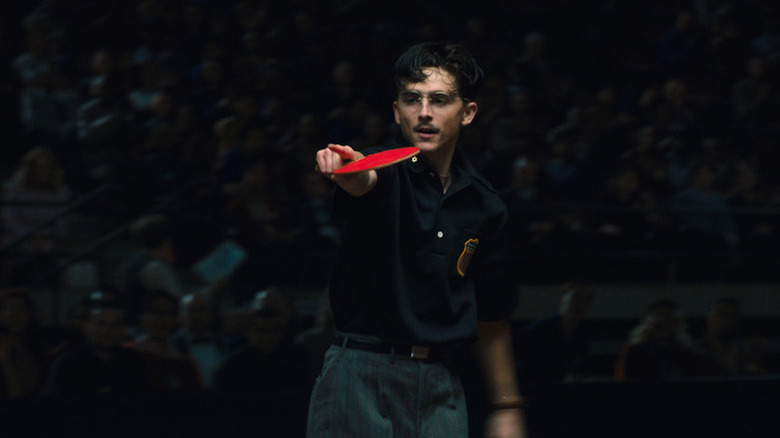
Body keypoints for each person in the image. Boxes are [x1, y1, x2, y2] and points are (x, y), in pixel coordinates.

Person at [310, 42, 526, 438]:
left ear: (468, 113)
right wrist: (348, 172)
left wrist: (506, 406)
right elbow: (362, 181)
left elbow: (492, 316)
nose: (424, 112)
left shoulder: (486, 205)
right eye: (412, 99)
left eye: (439, 100)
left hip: (440, 382)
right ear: (397, 111)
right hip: (359, 373)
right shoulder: (380, 171)